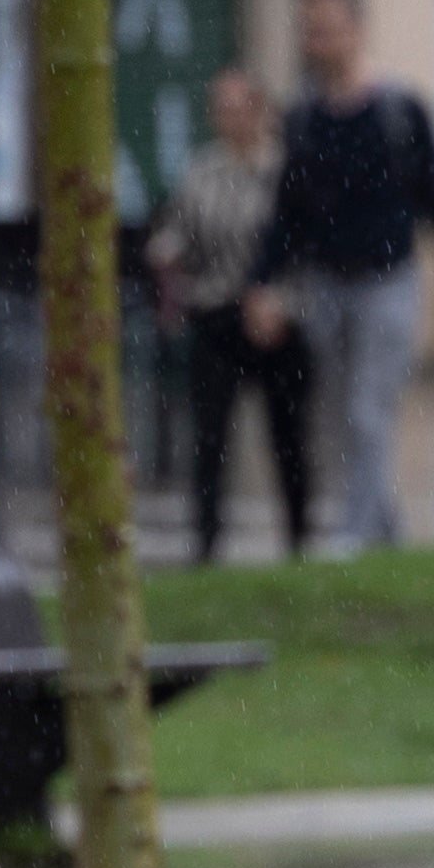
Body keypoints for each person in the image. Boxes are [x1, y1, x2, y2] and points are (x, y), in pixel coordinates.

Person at [250, 0, 434, 554]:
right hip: (327, 282)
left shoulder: (398, 109)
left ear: (356, 30)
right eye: (309, 30)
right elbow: (287, 211)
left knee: (371, 408)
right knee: (340, 413)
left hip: (388, 280)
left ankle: (354, 532)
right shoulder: (303, 119)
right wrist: (262, 282)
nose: (315, 41)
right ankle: (383, 526)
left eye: (326, 28)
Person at [150, 67, 313, 564]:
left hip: (278, 318)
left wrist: (277, 301)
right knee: (209, 437)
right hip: (216, 313)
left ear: (259, 111)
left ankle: (299, 540)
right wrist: (165, 260)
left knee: (288, 436)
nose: (228, 119)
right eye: (220, 109)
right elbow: (178, 233)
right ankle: (206, 544)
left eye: (238, 108)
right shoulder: (203, 171)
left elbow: (304, 245)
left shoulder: (287, 170)